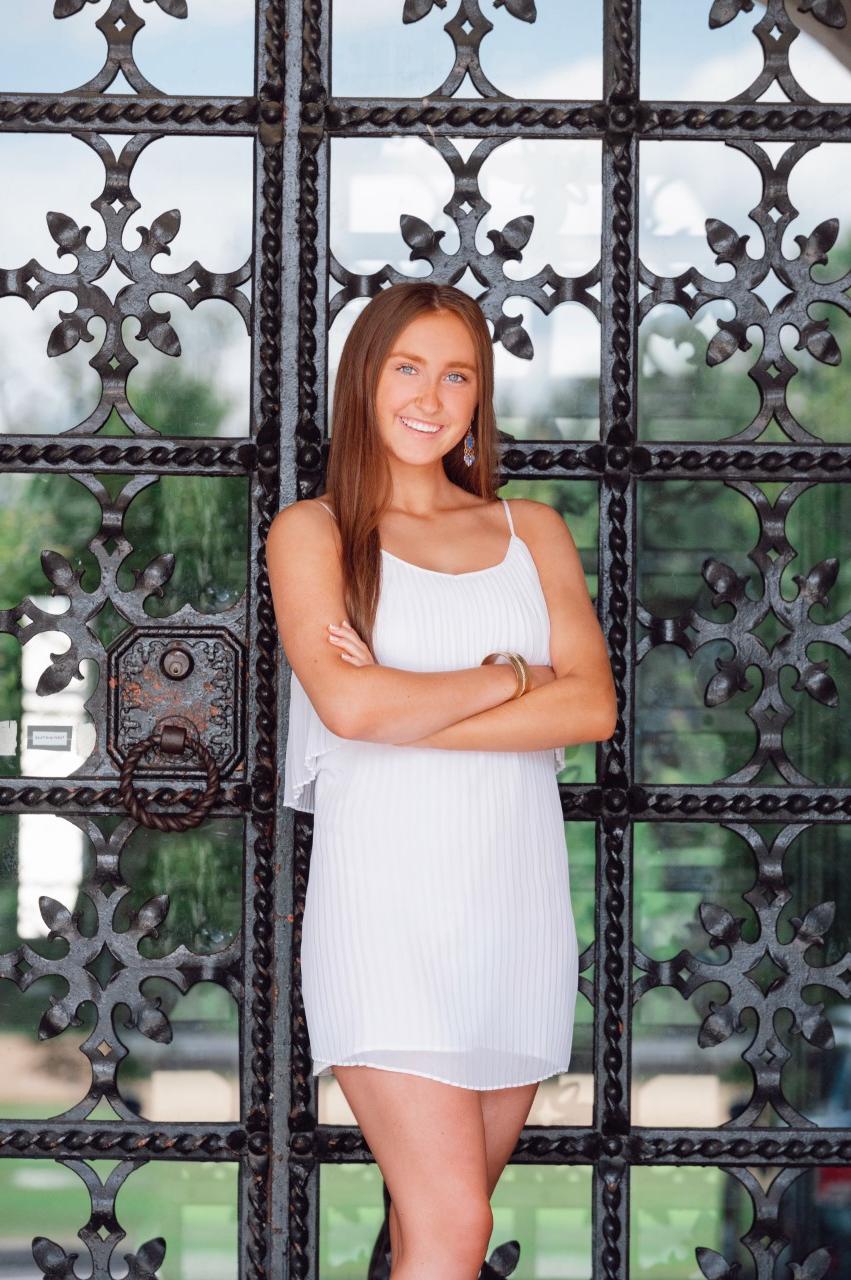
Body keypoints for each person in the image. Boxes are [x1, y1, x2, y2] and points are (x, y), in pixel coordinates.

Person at [266, 281, 616, 1279]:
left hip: (513, 913)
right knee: (454, 1224)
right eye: (406, 368)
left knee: (434, 1235)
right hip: (383, 914)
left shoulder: (531, 530)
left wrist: (405, 701)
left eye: (456, 373)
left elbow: (589, 708)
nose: (431, 395)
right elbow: (351, 712)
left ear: (479, 395)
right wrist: (509, 677)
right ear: (363, 382)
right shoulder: (316, 531)